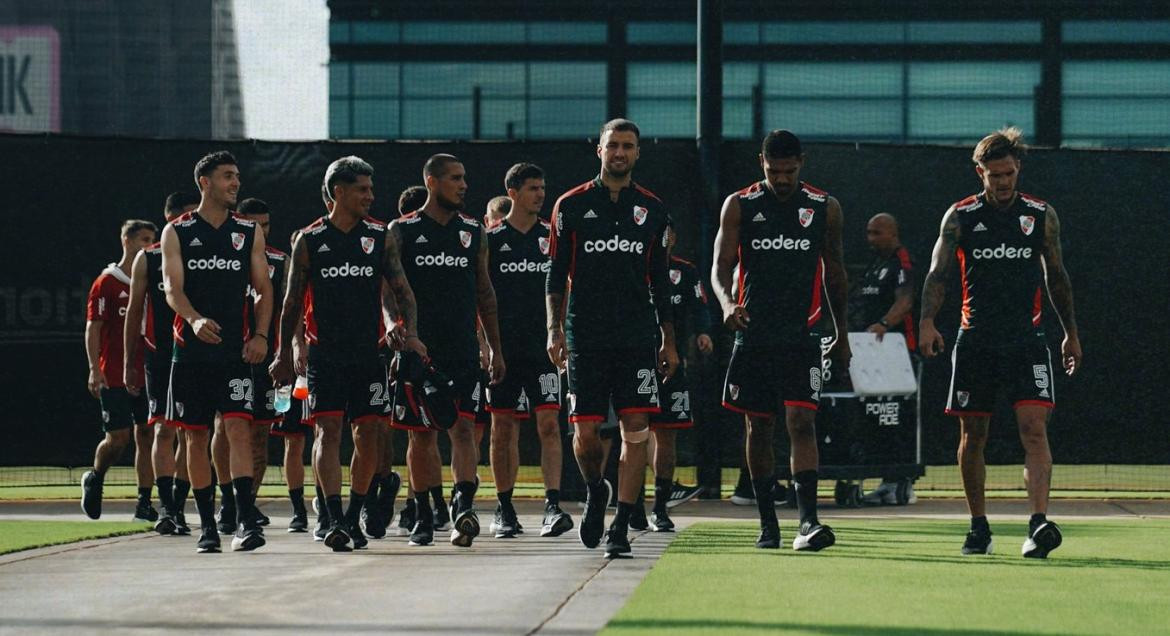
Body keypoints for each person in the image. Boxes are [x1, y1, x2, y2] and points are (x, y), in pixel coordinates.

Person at [919, 127, 1081, 558]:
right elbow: (938, 275)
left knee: (1034, 428)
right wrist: (927, 322)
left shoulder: (1041, 215)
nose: (1004, 182)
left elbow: (1057, 277)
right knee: (973, 435)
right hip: (975, 342)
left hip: (1027, 341)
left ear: (1018, 169)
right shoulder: (960, 217)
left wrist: (1070, 333)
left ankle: (1038, 524)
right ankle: (978, 527)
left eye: (1009, 173)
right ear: (980, 173)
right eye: (995, 175)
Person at [271, 156, 422, 552]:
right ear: (338, 191)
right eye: (362, 189)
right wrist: (284, 354)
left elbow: (403, 292)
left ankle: (354, 515)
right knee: (327, 431)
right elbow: (289, 304)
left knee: (368, 433)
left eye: (371, 189)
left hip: (369, 355)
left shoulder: (380, 236)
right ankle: (332, 515)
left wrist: (410, 334)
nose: (370, 196)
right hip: (324, 355)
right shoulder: (309, 239)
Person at [711, 129, 851, 551]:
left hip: (802, 334)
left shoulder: (824, 207)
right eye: (775, 171)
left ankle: (808, 521)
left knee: (802, 421)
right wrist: (725, 304)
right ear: (762, 164)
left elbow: (835, 271)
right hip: (754, 334)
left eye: (789, 171)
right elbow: (719, 267)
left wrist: (840, 332)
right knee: (758, 425)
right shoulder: (740, 205)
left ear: (801, 163)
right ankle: (767, 522)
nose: (783, 179)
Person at [546, 119, 678, 558]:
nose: (620, 153)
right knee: (584, 435)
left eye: (628, 146)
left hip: (636, 336)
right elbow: (554, 276)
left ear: (638, 153)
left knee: (636, 430)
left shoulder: (653, 209)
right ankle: (594, 488)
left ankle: (620, 524)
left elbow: (660, 280)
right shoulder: (570, 205)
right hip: (584, 334)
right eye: (612, 145)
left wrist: (668, 339)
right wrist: (554, 329)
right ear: (598, 150)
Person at [160, 151, 273, 553]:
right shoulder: (177, 231)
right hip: (189, 355)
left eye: (237, 176)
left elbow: (264, 288)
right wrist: (192, 319)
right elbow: (173, 289)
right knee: (195, 436)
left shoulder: (247, 231)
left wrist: (260, 335)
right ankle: (207, 526)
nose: (235, 183)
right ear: (204, 182)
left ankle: (244, 521)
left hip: (235, 355)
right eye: (227, 176)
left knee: (239, 428)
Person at [391, 153, 506, 548]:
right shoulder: (401, 230)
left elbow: (485, 292)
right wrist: (401, 330)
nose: (463, 185)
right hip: (419, 351)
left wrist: (492, 345)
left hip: (462, 348)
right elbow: (387, 290)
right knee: (421, 436)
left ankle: (463, 508)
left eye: (464, 178)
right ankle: (423, 515)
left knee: (462, 429)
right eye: (455, 178)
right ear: (432, 181)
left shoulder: (474, 230)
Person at [485, 162, 574, 538]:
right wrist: (486, 346)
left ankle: (552, 506)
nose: (540, 194)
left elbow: (563, 289)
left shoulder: (550, 237)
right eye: (533, 188)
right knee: (502, 427)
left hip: (544, 349)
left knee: (549, 423)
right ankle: (504, 508)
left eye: (543, 187)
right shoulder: (489, 239)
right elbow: (479, 297)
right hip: (502, 350)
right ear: (514, 193)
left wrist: (561, 334)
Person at [124, 192, 199, 535]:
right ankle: (166, 507)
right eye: (184, 217)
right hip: (159, 354)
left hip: (199, 352)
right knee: (163, 428)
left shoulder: (205, 252)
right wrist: (130, 362)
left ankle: (180, 506)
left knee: (193, 432)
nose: (189, 222)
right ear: (170, 218)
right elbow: (135, 311)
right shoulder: (148, 258)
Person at [82, 219, 159, 522]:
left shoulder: (154, 279)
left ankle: (144, 502)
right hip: (113, 372)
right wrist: (93, 368)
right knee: (119, 438)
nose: (149, 245)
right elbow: (94, 328)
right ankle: (96, 476)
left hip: (146, 371)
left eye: (153, 239)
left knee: (147, 434)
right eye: (143, 239)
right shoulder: (107, 282)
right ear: (126, 241)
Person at [643, 225, 713, 531]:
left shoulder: (685, 272)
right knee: (631, 432)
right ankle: (628, 505)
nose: (663, 240)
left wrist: (703, 333)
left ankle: (660, 505)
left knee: (667, 433)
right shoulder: (635, 266)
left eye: (668, 235)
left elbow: (700, 308)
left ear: (674, 238)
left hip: (671, 364)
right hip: (634, 362)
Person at [846, 213, 918, 505]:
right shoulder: (875, 265)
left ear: (893, 233)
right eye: (868, 232)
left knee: (896, 415)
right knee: (873, 416)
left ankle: (902, 481)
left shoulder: (902, 262)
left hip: (896, 353)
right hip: (870, 353)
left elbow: (906, 300)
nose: (870, 239)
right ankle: (885, 479)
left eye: (876, 233)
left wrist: (884, 324)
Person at [234, 198, 287, 529]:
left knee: (261, 436)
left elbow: (290, 306)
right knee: (229, 430)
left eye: (266, 225)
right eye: (255, 225)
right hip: (231, 358)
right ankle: (229, 501)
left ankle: (246, 504)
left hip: (269, 360)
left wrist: (285, 352)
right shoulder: (223, 255)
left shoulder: (281, 260)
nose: (262, 232)